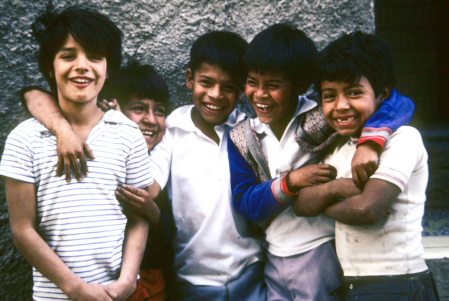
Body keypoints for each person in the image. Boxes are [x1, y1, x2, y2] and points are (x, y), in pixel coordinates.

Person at [227, 24, 415, 300]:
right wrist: (290, 182)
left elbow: (400, 104)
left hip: (324, 249)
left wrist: (370, 142)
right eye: (252, 82)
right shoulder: (243, 136)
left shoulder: (322, 115)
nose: (260, 94)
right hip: (274, 255)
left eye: (274, 85)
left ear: (300, 85)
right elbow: (244, 202)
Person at [0, 3, 152, 301]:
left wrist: (127, 282)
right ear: (50, 67)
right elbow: (22, 229)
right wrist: (75, 289)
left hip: (115, 294)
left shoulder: (127, 134)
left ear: (109, 70)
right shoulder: (24, 139)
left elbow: (138, 216)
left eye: (94, 56)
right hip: (55, 295)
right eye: (68, 56)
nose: (82, 65)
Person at [292, 32, 440, 300]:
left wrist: (322, 201)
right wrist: (339, 187)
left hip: (398, 282)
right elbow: (301, 204)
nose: (341, 106)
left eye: (354, 93)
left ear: (382, 93)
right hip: (355, 285)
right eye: (329, 96)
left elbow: (367, 209)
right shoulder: (337, 147)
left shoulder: (403, 139)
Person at [118, 31, 265, 300]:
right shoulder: (173, 129)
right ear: (189, 79)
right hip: (192, 281)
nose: (215, 95)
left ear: (242, 89)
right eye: (206, 82)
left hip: (251, 274)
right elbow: (148, 187)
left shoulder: (247, 130)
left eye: (229, 87)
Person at [102, 59, 174, 301]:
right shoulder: (97, 151)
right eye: (139, 108)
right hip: (99, 281)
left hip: (152, 280)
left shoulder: (161, 160)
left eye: (159, 111)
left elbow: (173, 233)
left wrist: (153, 212)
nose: (151, 120)